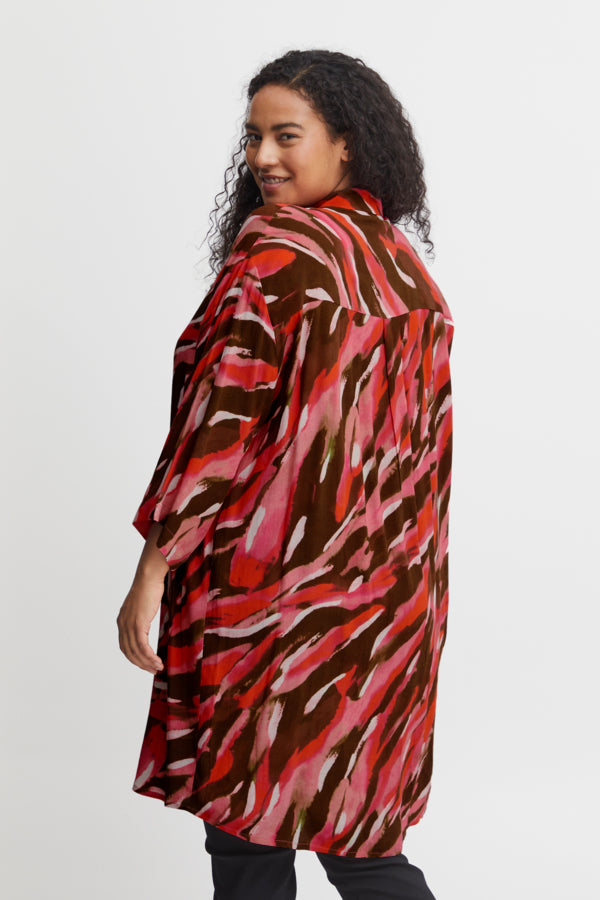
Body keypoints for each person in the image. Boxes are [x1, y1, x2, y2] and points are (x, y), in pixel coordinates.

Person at [117, 49, 454, 900]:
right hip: (388, 612)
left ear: (347, 144)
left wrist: (153, 569)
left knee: (245, 832)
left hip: (269, 601)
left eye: (286, 136)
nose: (262, 156)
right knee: (361, 838)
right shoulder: (405, 268)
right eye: (252, 137)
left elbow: (216, 427)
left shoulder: (276, 254)